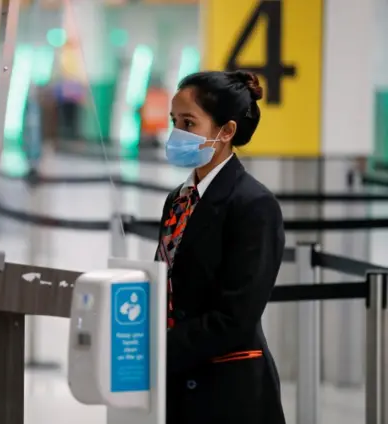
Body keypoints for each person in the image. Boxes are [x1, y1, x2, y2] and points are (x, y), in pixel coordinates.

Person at [155, 70, 286, 424]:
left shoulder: (253, 205)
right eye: (174, 121)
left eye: (189, 123)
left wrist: (158, 349)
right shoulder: (179, 200)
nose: (176, 133)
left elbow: (236, 317)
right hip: (176, 384)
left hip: (227, 390)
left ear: (226, 132)